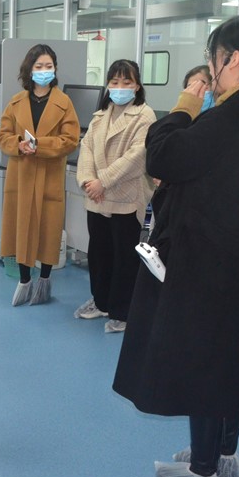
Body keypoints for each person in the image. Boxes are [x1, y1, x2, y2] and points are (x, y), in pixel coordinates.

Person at [112, 14, 239, 477]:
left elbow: (163, 155)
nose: (211, 69)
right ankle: (223, 452)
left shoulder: (229, 117)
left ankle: (202, 469)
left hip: (207, 263)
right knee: (233, 359)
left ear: (232, 59)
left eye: (213, 58)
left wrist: (185, 104)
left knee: (205, 361)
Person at [73, 60, 156, 333]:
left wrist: (103, 182)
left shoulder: (144, 116)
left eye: (127, 82)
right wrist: (88, 181)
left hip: (125, 197)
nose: (120, 87)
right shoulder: (100, 116)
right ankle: (101, 302)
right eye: (115, 82)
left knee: (124, 258)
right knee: (99, 253)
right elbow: (86, 148)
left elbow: (136, 157)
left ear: (137, 86)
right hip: (96, 197)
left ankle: (122, 310)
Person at [0, 44, 80, 306]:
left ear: (55, 69)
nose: (44, 71)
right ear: (29, 70)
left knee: (48, 229)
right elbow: (2, 136)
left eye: (49, 66)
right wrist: (18, 144)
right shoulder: (16, 102)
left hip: (49, 175)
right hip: (21, 175)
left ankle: (44, 281)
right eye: (39, 66)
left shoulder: (64, 103)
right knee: (21, 228)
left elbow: (70, 140)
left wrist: (40, 146)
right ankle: (24, 280)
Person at [148, 65, 214, 232]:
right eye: (191, 86)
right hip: (169, 205)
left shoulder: (215, 123)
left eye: (203, 84)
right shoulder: (179, 119)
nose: (197, 91)